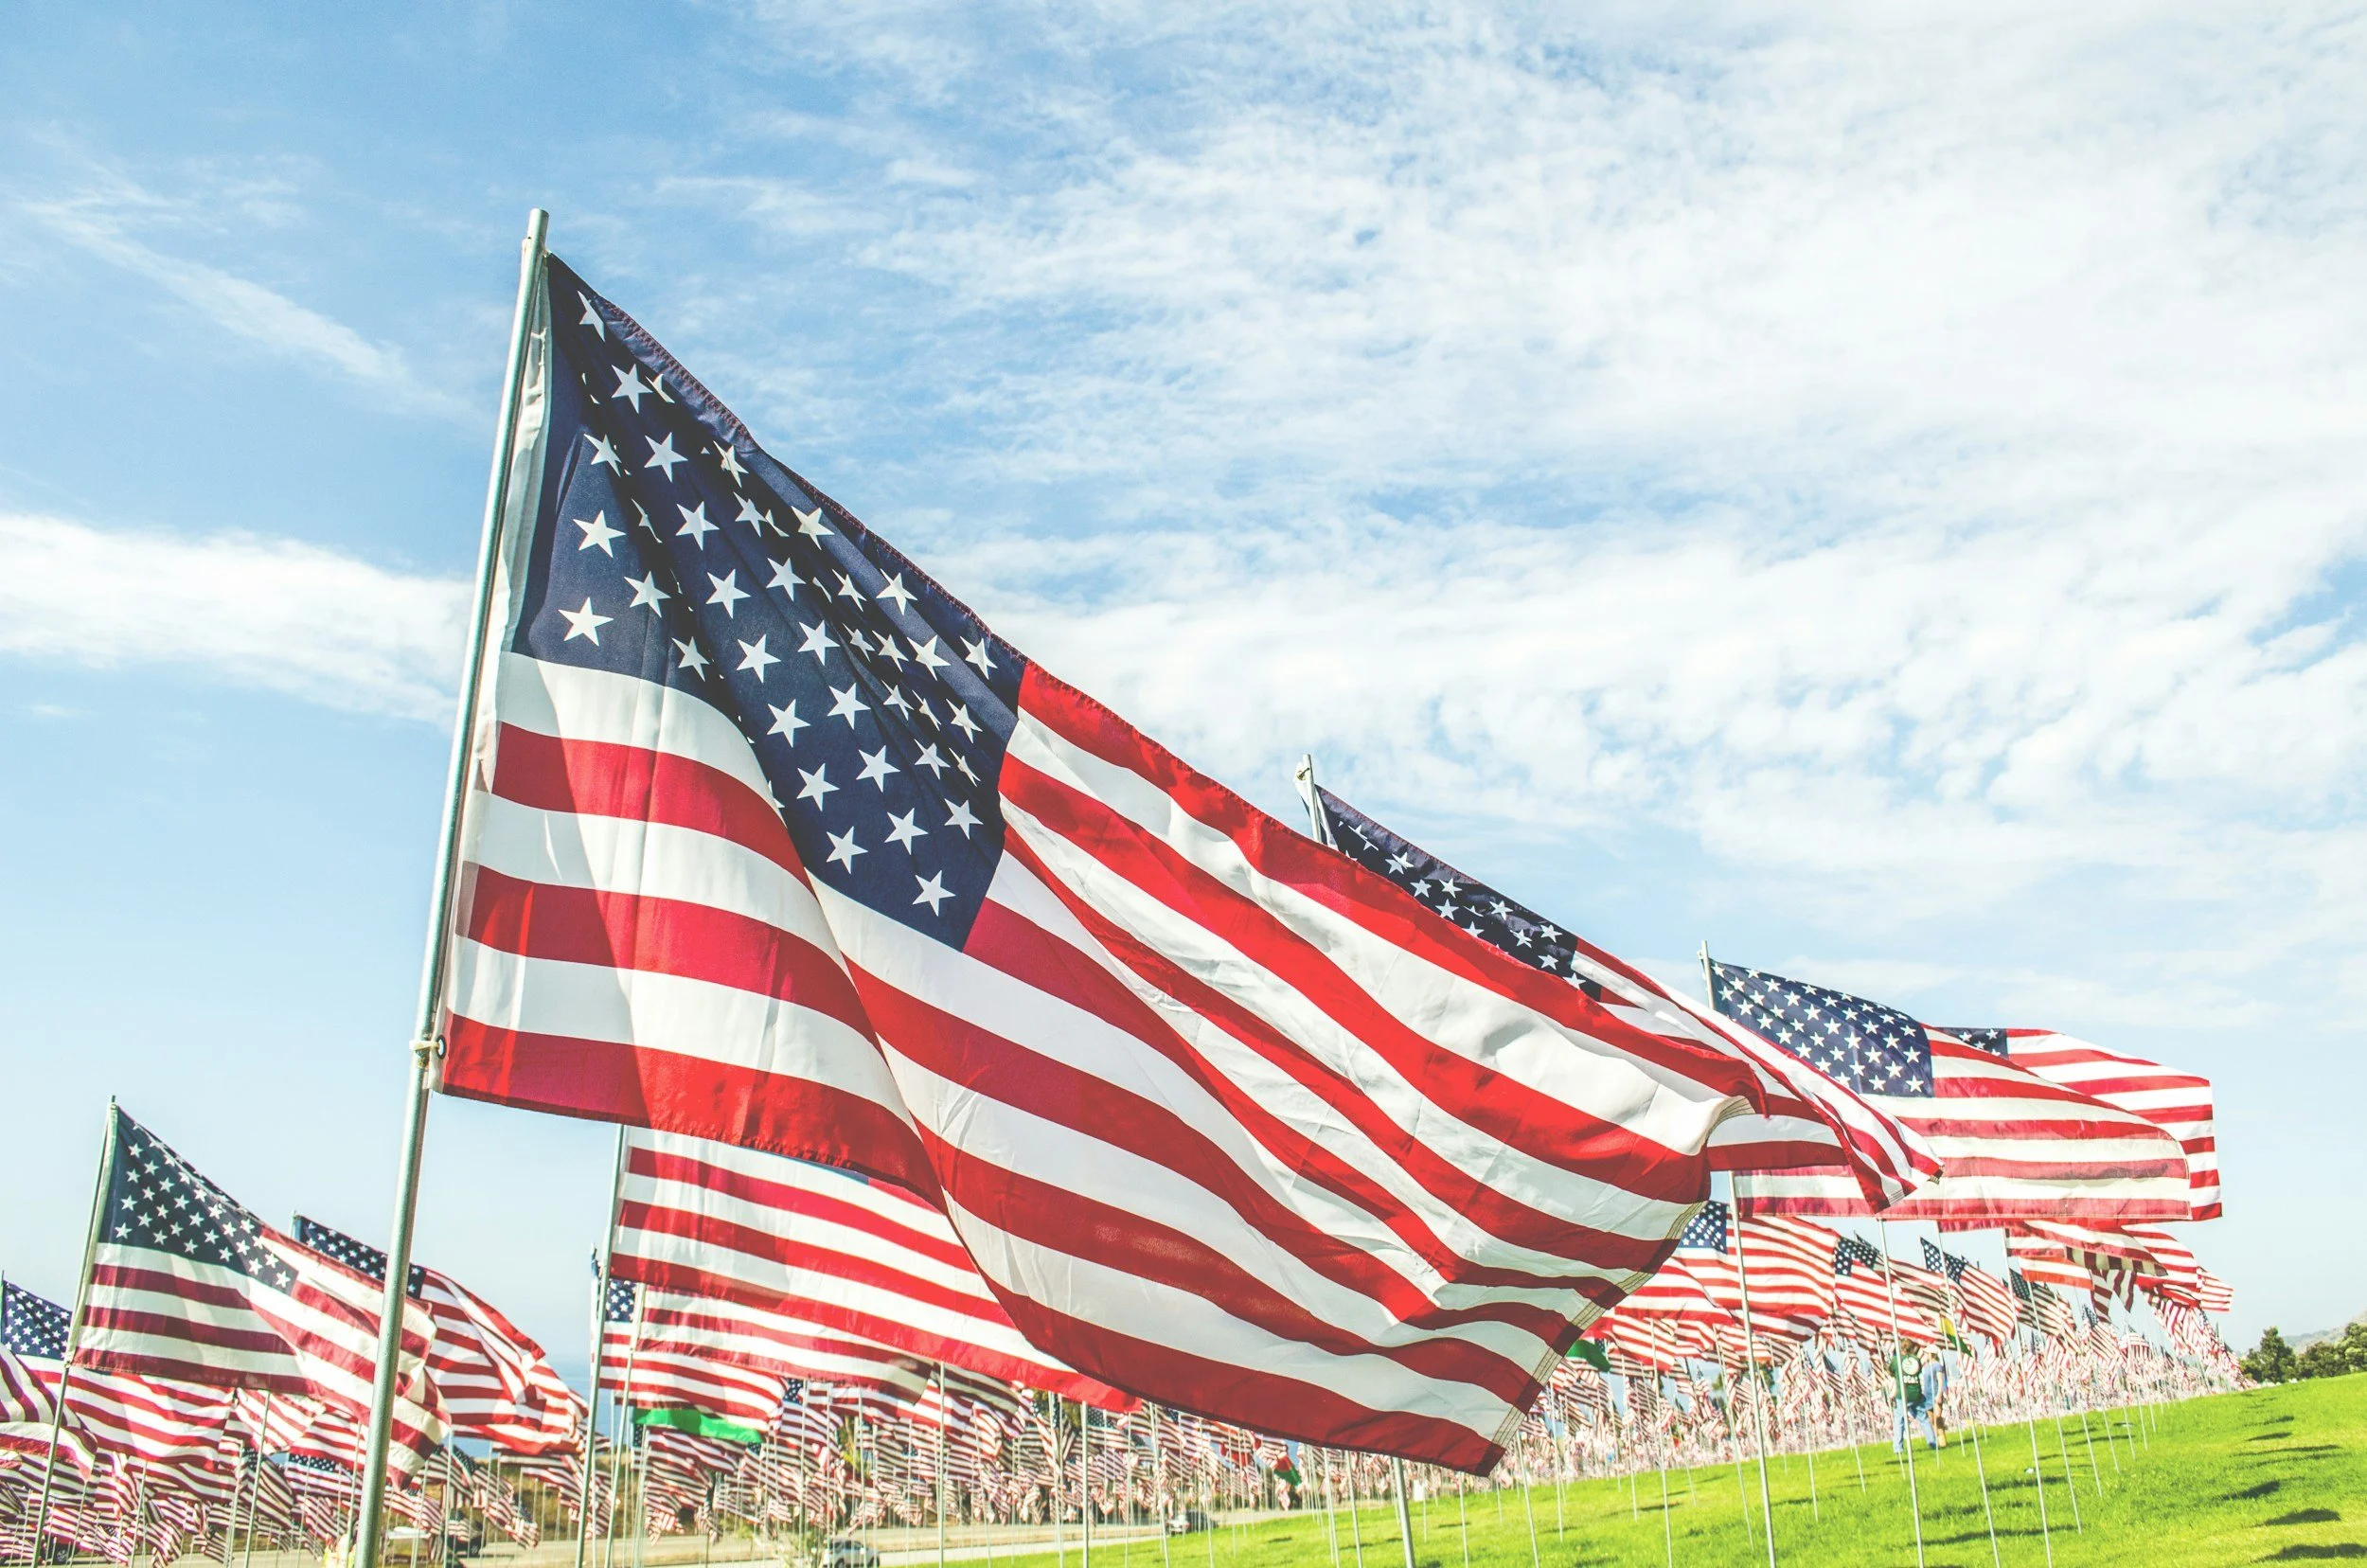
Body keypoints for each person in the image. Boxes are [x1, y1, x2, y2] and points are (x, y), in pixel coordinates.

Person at [1889, 1346, 1940, 1452]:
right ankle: (1933, 1443)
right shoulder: (1916, 1359)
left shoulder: (1897, 1360)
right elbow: (1919, 1371)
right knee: (1923, 1419)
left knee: (1899, 1420)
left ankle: (1898, 1448)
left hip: (1902, 1394)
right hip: (1916, 1393)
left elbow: (1890, 1371)